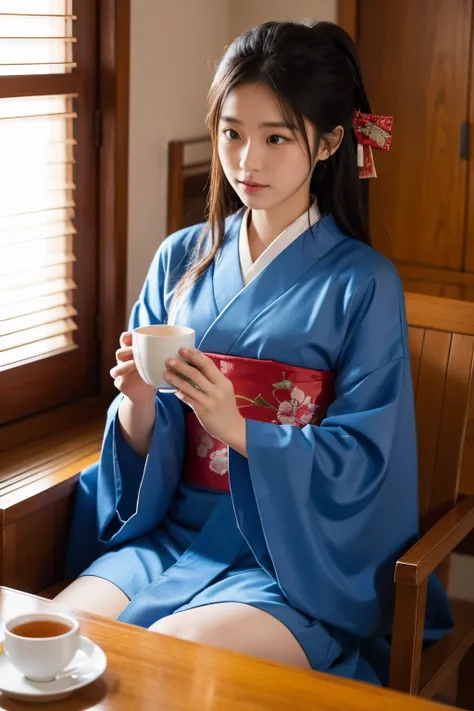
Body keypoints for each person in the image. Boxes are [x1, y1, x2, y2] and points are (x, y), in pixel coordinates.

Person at [57, 20, 452, 684]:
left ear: (329, 143)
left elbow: (365, 461)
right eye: (232, 132)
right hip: (171, 532)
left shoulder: (365, 283)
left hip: (292, 555)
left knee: (167, 659)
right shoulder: (178, 258)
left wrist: (239, 428)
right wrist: (138, 403)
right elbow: (140, 445)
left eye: (276, 137)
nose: (247, 161)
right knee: (59, 638)